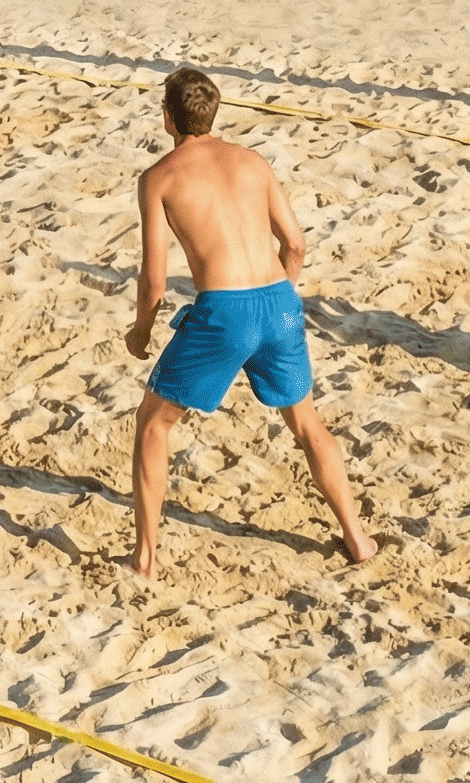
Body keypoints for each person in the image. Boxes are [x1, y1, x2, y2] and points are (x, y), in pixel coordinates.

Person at [122, 67, 373, 578]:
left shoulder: (159, 178)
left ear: (168, 117)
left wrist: (141, 332)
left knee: (155, 422)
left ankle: (146, 558)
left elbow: (154, 280)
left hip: (224, 310)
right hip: (279, 301)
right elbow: (296, 245)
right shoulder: (253, 162)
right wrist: (278, 291)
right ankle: (357, 535)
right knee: (306, 423)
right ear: (214, 113)